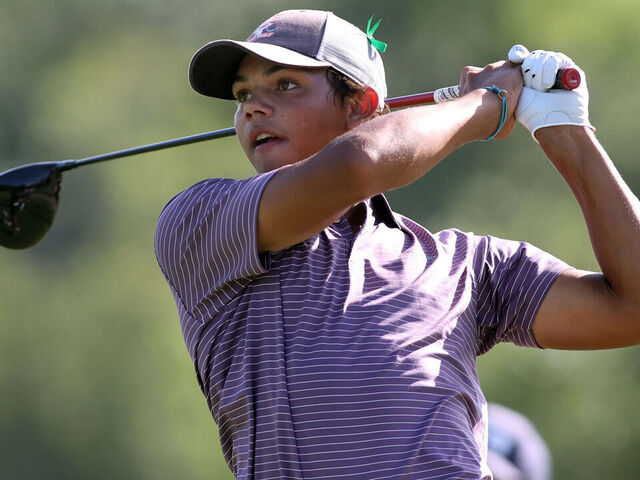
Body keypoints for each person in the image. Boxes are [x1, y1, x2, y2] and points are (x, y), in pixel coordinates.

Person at [154, 9, 640, 480]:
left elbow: (630, 308)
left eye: (285, 85)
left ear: (359, 107)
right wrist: (487, 104)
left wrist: (567, 132)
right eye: (243, 95)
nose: (252, 107)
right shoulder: (201, 221)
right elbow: (360, 162)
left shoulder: (465, 264)